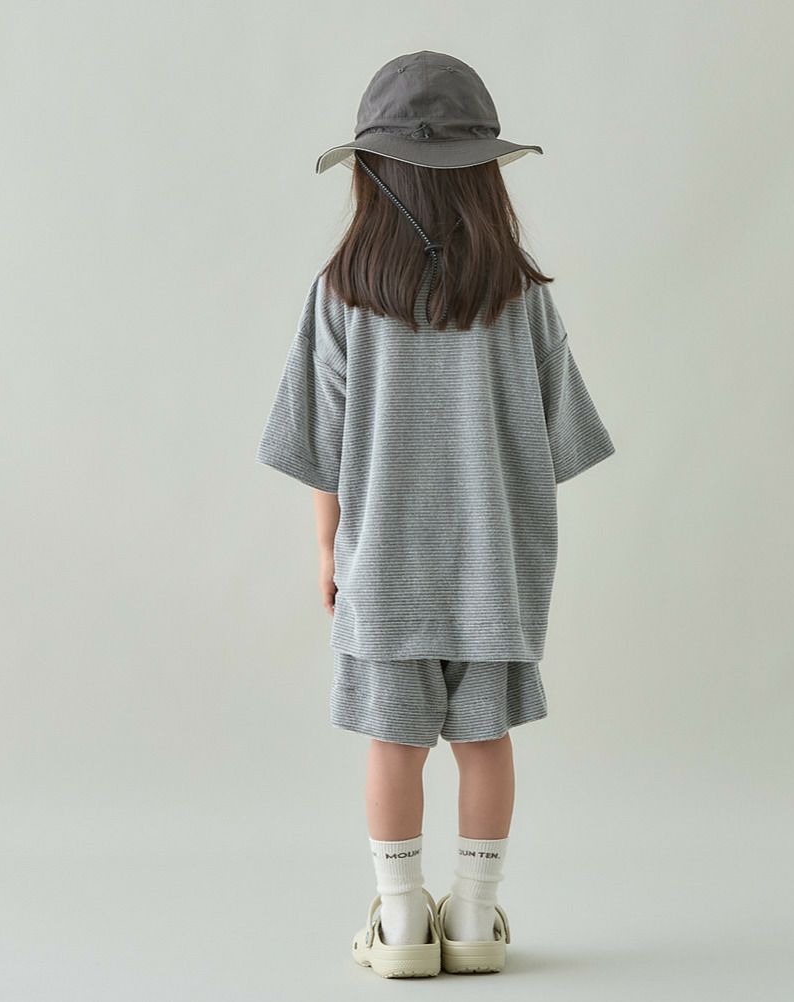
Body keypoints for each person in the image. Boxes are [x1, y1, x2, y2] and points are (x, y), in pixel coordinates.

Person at [256, 50, 615, 978]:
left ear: (372, 174)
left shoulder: (341, 293)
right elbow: (561, 441)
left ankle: (404, 922)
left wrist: (330, 549)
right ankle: (477, 919)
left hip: (383, 568)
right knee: (483, 740)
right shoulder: (520, 298)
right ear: (485, 176)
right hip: (495, 569)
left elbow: (322, 441)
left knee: (395, 744)